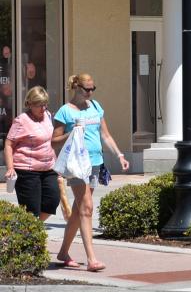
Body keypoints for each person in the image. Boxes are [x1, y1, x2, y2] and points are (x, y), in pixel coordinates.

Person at [52, 73, 129, 272]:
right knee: (87, 208)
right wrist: (72, 132)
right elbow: (54, 141)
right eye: (87, 89)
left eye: (93, 88)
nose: (90, 92)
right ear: (76, 88)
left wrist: (119, 155)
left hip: (95, 163)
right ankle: (92, 259)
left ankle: (62, 252)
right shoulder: (65, 112)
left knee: (79, 210)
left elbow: (105, 134)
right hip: (77, 165)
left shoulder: (95, 107)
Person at [3, 86, 58, 220]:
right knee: (31, 210)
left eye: (45, 104)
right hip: (27, 171)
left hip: (48, 168)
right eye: (39, 105)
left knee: (52, 201)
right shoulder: (21, 120)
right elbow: (8, 144)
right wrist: (10, 167)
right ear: (29, 104)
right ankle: (30, 233)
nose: (43, 108)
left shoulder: (48, 116)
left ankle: (33, 230)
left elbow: (49, 141)